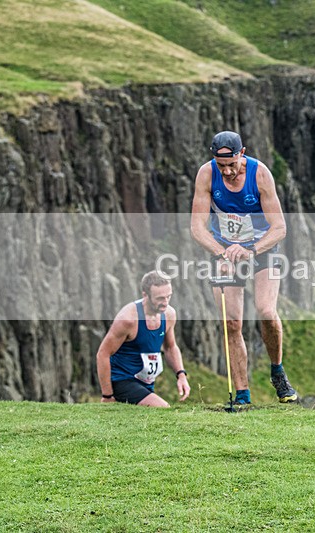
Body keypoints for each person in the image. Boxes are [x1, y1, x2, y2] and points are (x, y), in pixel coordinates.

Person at [190, 130, 297, 404]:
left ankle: (277, 370)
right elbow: (197, 227)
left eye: (232, 164)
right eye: (221, 165)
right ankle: (242, 394)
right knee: (232, 322)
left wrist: (250, 250)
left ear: (243, 153)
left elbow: (280, 228)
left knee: (265, 310)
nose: (226, 171)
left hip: (260, 247)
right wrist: (221, 253)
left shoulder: (260, 175)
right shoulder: (206, 174)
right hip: (224, 249)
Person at [96, 271, 190, 407]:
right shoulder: (128, 319)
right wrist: (107, 396)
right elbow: (103, 354)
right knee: (163, 409)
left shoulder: (169, 314)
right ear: (145, 295)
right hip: (122, 380)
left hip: (146, 383)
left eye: (168, 297)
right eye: (160, 298)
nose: (165, 303)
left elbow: (170, 347)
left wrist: (181, 375)